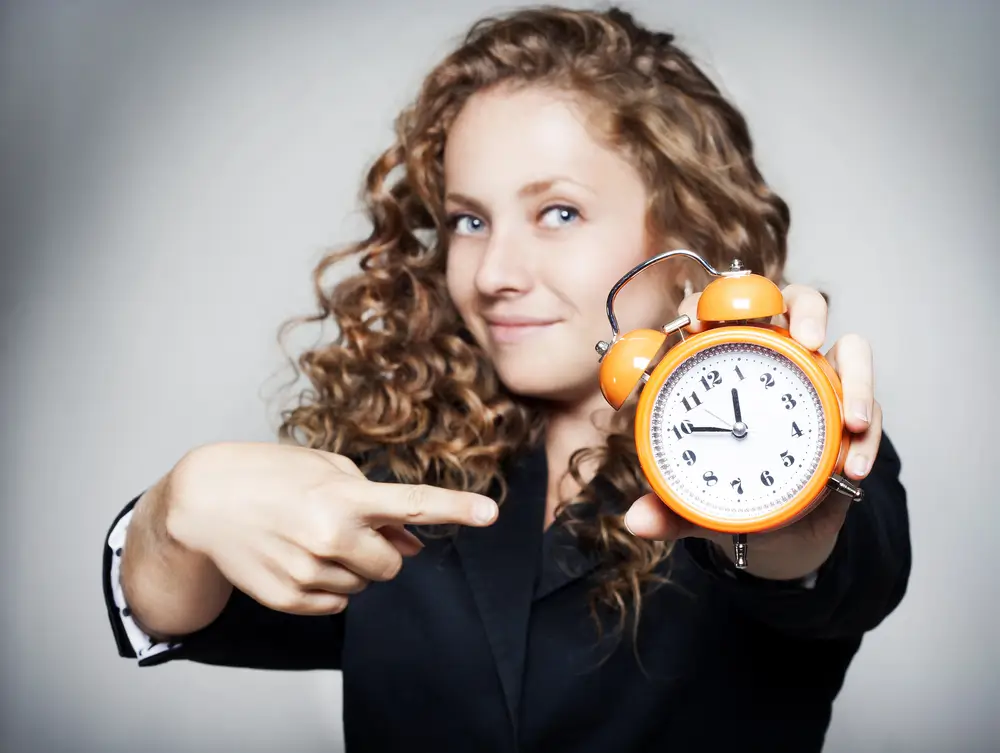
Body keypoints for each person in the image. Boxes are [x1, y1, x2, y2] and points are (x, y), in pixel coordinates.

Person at [102, 6, 911, 752]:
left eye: (558, 212)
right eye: (469, 219)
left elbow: (828, 566)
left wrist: (782, 508)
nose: (493, 272)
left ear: (689, 234)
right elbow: (176, 607)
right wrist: (176, 511)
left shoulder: (801, 439)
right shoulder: (397, 464)